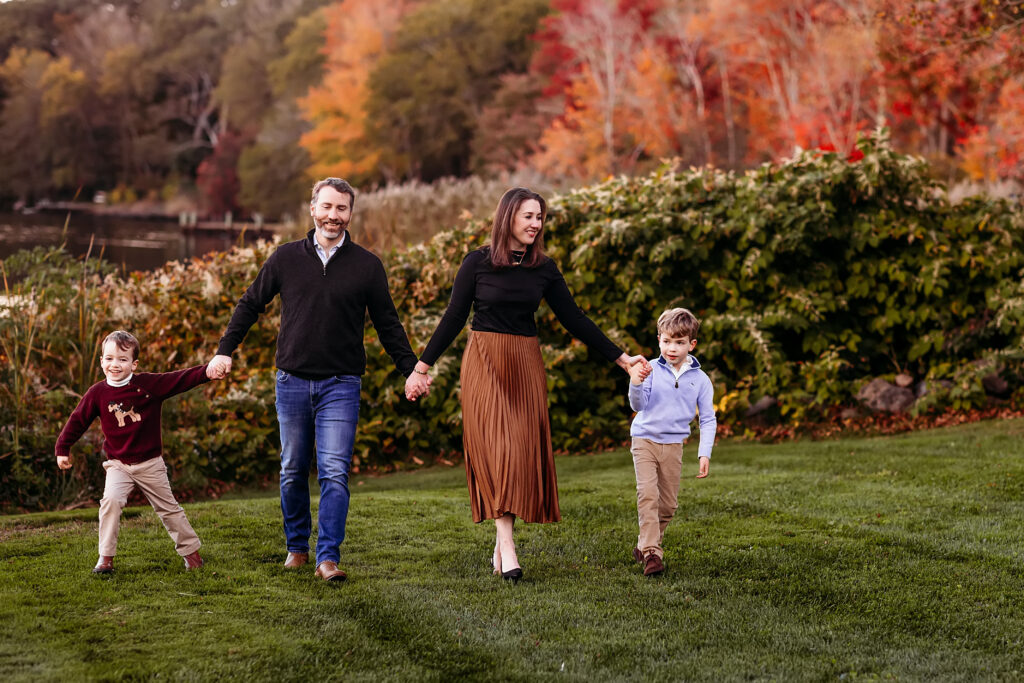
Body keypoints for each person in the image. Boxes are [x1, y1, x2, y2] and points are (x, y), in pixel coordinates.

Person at [404, 187, 649, 582]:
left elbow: (575, 318)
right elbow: (453, 317)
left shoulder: (544, 269)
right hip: (484, 360)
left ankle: (500, 544)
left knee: (517, 451)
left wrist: (621, 358)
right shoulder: (477, 263)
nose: (536, 224)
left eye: (540, 218)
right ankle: (509, 547)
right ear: (508, 217)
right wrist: (421, 366)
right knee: (499, 449)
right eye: (528, 216)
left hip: (525, 363)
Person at [208, 177, 423, 583]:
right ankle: (297, 548)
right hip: (291, 383)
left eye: (341, 209)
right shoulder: (286, 258)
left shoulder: (367, 266)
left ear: (350, 214)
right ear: (313, 209)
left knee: (334, 472)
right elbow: (251, 304)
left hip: (341, 385)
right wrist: (225, 349)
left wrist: (410, 368)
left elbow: (388, 325)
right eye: (327, 207)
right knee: (292, 469)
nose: (333, 216)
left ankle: (328, 557)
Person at [55, 330, 219, 574]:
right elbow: (77, 420)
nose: (115, 364)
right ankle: (105, 558)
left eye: (122, 359)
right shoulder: (97, 394)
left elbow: (180, 379)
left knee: (169, 509)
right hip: (118, 464)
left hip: (150, 463)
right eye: (109, 358)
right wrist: (63, 448)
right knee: (110, 502)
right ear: (101, 361)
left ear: (134, 363)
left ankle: (191, 555)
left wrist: (207, 371)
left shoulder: (148, 385)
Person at [626, 307, 716, 576]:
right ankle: (653, 553)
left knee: (668, 505)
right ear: (658, 340)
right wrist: (635, 382)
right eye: (666, 341)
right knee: (648, 495)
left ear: (692, 344)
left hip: (674, 445)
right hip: (644, 440)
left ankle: (644, 545)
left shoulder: (700, 380)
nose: (672, 348)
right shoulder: (649, 369)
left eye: (679, 342)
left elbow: (708, 419)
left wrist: (704, 453)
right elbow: (638, 404)